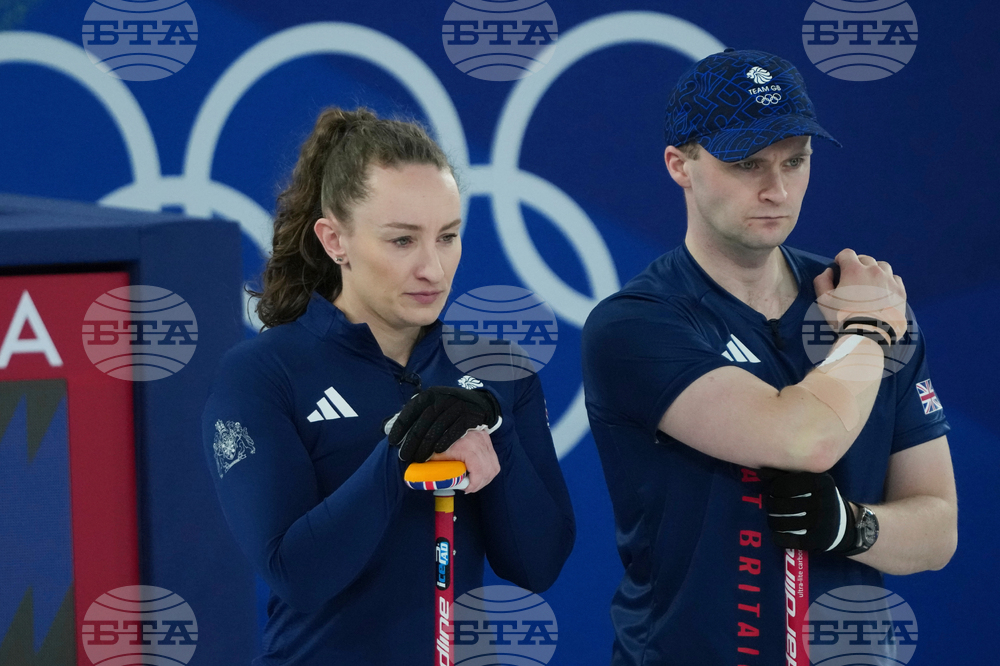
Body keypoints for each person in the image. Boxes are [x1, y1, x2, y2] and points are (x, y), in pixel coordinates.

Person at [581, 49, 956, 664]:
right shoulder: (633, 324)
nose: (776, 189)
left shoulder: (866, 301)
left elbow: (938, 529)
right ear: (680, 165)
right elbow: (802, 439)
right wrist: (867, 332)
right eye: (747, 163)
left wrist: (851, 527)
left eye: (795, 161)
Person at [202, 107, 575, 665]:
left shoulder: (497, 370)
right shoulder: (261, 375)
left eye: (448, 237)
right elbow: (296, 575)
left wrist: (496, 431)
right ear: (335, 240)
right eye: (402, 241)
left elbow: (537, 565)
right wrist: (403, 451)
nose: (434, 269)